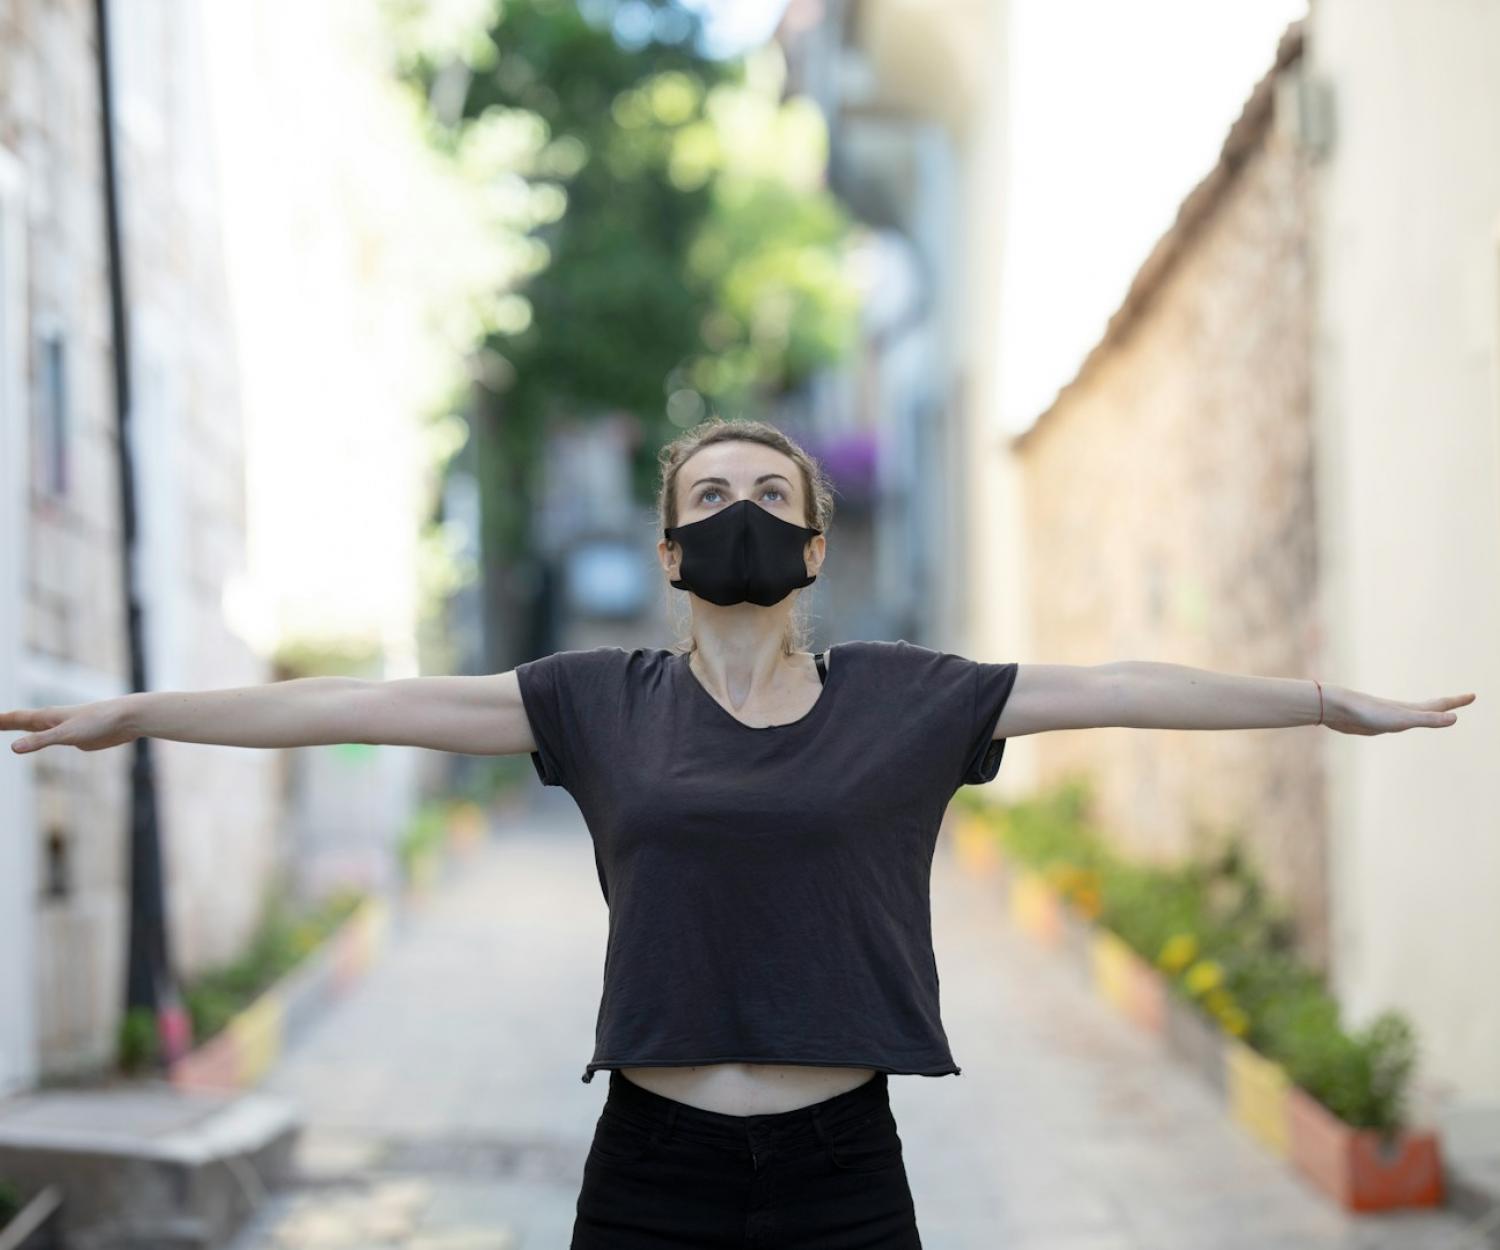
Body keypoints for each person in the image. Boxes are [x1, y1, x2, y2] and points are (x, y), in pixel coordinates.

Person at [1, 418, 1473, 1250]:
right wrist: (137, 715)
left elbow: (1122, 685)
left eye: (774, 495)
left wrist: (1330, 701)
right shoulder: (595, 702)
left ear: (817, 544)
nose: (743, 515)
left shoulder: (911, 700)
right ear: (668, 549)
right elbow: (369, 701)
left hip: (844, 1175)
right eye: (710, 498)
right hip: (650, 1175)